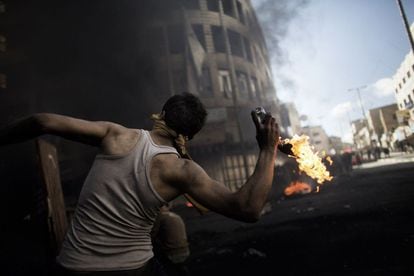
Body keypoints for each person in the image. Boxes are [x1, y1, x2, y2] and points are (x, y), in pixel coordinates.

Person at [0, 92, 279, 275]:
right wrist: (267, 149)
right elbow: (248, 208)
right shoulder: (183, 170)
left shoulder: (115, 134)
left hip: (70, 266)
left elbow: (42, 121)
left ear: (162, 113)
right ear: (191, 134)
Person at [151, 204, 190, 276]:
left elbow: (152, 235)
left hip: (172, 253)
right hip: (185, 250)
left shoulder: (161, 217)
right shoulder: (175, 215)